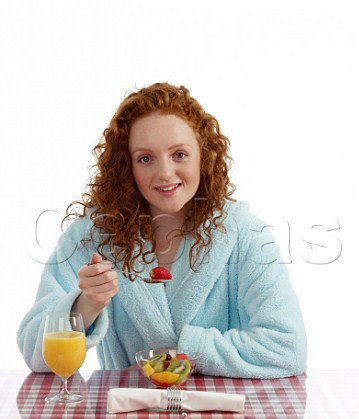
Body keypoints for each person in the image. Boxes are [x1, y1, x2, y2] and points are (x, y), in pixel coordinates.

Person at [17, 82, 307, 378]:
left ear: (203, 157)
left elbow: (287, 349)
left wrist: (188, 351)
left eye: (179, 154)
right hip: (128, 415)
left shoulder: (245, 234)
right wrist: (85, 304)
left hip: (219, 415)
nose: (165, 173)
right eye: (145, 158)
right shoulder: (94, 235)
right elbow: (34, 352)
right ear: (126, 167)